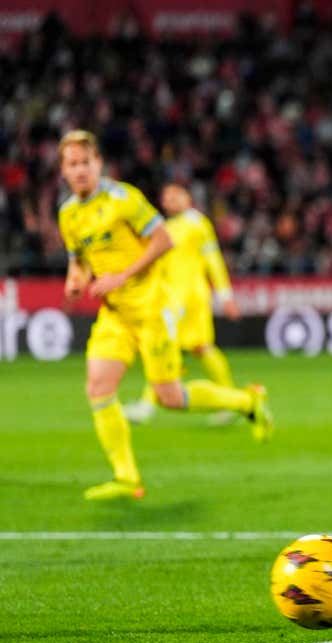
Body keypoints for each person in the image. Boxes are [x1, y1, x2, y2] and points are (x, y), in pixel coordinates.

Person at [57, 130, 273, 501]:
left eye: (85, 163)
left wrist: (122, 275)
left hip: (153, 308)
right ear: (63, 170)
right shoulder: (68, 213)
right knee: (98, 386)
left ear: (99, 164)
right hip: (115, 314)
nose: (79, 171)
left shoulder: (123, 199)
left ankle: (245, 402)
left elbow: (162, 240)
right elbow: (78, 261)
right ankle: (126, 477)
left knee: (170, 396)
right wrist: (75, 283)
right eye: (72, 164)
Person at [124, 183, 243, 426]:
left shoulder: (196, 223)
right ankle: (234, 400)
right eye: (166, 198)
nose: (170, 201)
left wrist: (225, 295)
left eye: (175, 196)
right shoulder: (167, 227)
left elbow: (213, 260)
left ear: (188, 198)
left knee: (165, 344)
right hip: (171, 297)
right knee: (201, 349)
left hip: (189, 297)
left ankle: (147, 405)